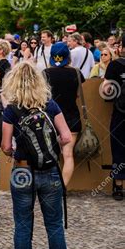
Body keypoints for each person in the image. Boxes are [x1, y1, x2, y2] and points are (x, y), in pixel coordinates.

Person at [1, 61, 72, 249]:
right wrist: (50, 145)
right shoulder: (50, 105)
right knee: (54, 226)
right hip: (50, 171)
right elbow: (67, 136)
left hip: (22, 171)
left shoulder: (11, 109)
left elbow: (5, 146)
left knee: (22, 226)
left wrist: (15, 153)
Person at [44, 42, 84, 187]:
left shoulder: (46, 74)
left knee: (50, 154)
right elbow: (78, 95)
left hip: (51, 119)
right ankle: (62, 187)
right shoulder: (76, 73)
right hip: (72, 117)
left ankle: (50, 187)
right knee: (68, 155)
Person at [101, 36, 125, 200]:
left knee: (118, 149)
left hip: (120, 114)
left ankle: (118, 186)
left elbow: (107, 95)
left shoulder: (115, 66)